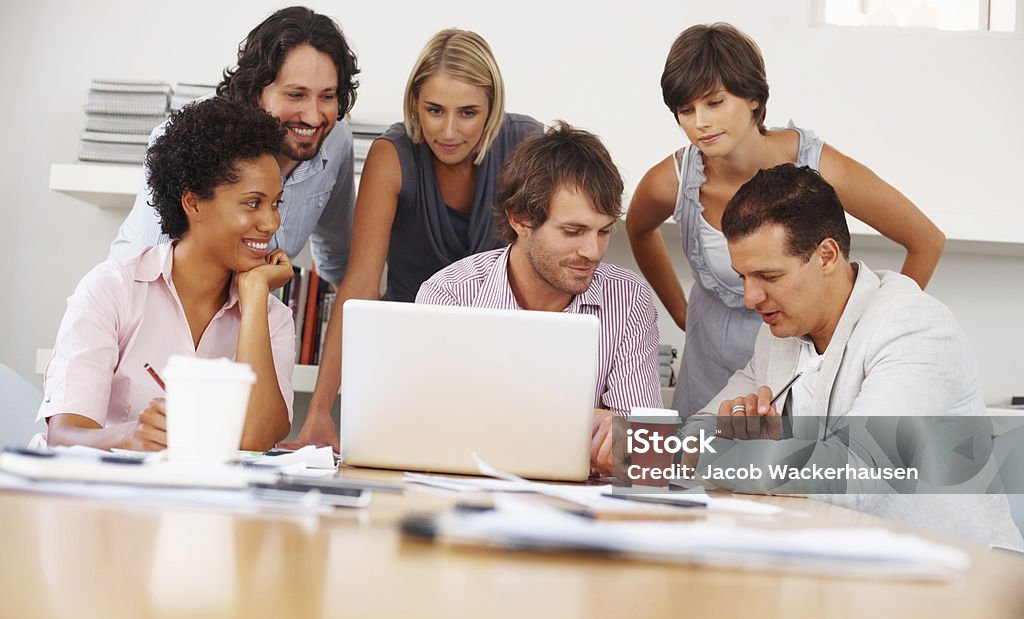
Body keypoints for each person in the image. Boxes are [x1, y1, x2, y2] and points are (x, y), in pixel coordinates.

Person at [690, 164, 1022, 548]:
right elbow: (699, 428)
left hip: (963, 577)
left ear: (827, 256)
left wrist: (717, 455)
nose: (750, 298)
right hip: (842, 568)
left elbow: (855, 472)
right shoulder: (778, 336)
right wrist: (629, 446)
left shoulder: (915, 326)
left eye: (769, 277)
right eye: (743, 277)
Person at [627, 22, 946, 417]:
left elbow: (926, 240)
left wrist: (874, 327)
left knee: (806, 470)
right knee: (698, 467)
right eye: (685, 110)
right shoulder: (670, 181)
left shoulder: (820, 167)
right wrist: (681, 313)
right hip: (711, 360)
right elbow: (638, 230)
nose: (700, 123)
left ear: (754, 100)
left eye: (714, 102)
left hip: (803, 361)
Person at [287, 28, 543, 450]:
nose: (448, 131)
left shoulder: (526, 145)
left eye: (468, 113)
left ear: (493, 108)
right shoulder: (393, 156)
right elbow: (361, 287)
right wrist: (318, 413)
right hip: (406, 359)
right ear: (414, 104)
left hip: (500, 362)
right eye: (434, 110)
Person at [37, 97, 296, 452]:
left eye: (276, 202)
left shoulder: (272, 317)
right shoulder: (111, 290)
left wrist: (253, 297)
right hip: (97, 497)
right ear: (193, 203)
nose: (271, 222)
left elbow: (257, 440)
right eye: (253, 203)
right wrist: (130, 437)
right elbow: (64, 436)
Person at [416, 122, 663, 474]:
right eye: (573, 231)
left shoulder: (628, 299)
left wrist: (624, 439)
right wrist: (574, 424)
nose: (592, 251)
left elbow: (650, 453)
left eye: (604, 231)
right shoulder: (450, 295)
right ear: (519, 219)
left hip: (583, 511)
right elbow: (428, 430)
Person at [108, 6, 360, 287]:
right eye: (295, 94)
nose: (313, 117)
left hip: (249, 309)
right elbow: (146, 273)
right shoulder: (190, 138)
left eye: (327, 96)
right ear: (255, 91)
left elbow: (337, 259)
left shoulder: (337, 141)